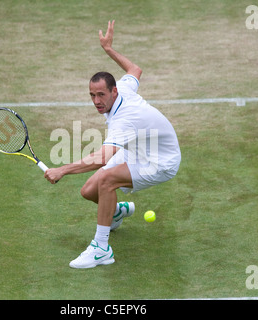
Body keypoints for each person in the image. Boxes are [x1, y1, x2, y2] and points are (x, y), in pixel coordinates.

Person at [44, 20, 181, 269]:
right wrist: (108, 49)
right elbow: (135, 69)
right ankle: (116, 212)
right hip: (138, 151)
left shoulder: (124, 118)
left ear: (114, 92)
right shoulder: (124, 89)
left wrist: (62, 169)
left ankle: (101, 248)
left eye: (101, 95)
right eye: (92, 95)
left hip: (161, 162)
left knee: (107, 181)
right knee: (88, 191)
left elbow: (102, 157)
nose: (96, 101)